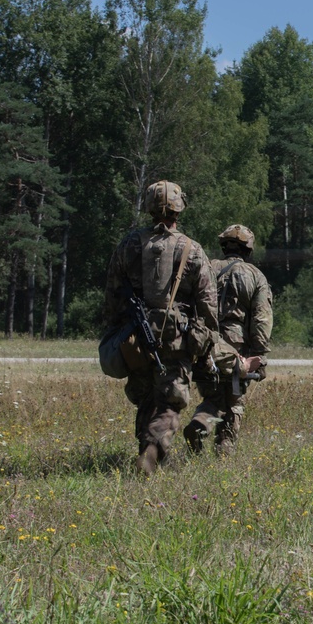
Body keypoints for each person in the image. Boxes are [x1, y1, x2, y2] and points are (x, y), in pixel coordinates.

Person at [104, 180, 219, 475]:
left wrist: (120, 332)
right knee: (170, 399)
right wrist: (205, 341)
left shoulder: (128, 245)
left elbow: (113, 294)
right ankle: (151, 454)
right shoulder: (192, 249)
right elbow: (207, 302)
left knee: (144, 394)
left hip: (135, 335)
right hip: (176, 338)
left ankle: (146, 448)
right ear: (179, 208)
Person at [185, 224, 272, 456]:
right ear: (249, 249)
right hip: (237, 350)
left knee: (212, 396)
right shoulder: (255, 276)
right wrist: (260, 355)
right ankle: (225, 448)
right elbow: (261, 320)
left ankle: (200, 424)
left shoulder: (207, 268)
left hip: (205, 345)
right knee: (234, 400)